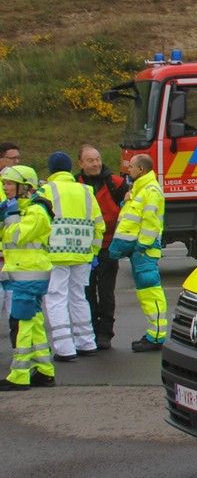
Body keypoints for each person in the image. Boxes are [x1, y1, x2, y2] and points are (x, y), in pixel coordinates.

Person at [41, 151, 102, 362]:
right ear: (69, 168)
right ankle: (87, 342)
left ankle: (65, 348)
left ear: (51, 169)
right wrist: (93, 252)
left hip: (55, 253)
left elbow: (41, 223)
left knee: (56, 298)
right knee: (78, 296)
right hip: (83, 254)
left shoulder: (46, 190)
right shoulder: (86, 191)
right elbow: (99, 225)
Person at [3, 164, 56, 389]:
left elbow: (16, 236)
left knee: (23, 322)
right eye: (4, 183)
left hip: (30, 275)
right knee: (33, 322)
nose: (5, 187)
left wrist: (11, 214)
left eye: (10, 184)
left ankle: (19, 376)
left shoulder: (36, 211)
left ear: (25, 186)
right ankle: (45, 371)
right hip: (24, 274)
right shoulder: (24, 209)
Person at [109, 153, 167, 351]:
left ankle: (157, 336)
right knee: (147, 295)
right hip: (140, 251)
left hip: (145, 251)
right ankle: (154, 334)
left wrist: (142, 246)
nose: (128, 170)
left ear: (141, 169)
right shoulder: (139, 190)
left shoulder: (150, 190)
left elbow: (150, 223)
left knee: (151, 293)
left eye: (131, 167)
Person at [77, 145, 129, 350]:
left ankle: (105, 333)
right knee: (87, 291)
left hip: (108, 246)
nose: (96, 163)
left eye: (97, 159)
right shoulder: (75, 183)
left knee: (106, 292)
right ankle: (90, 329)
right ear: (81, 163)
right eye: (90, 160)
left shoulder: (115, 182)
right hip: (85, 248)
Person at [0, 140, 19, 347]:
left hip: (14, 256)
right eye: (12, 158)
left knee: (15, 307)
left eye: (18, 158)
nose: (16, 162)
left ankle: (18, 345)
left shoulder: (21, 184)